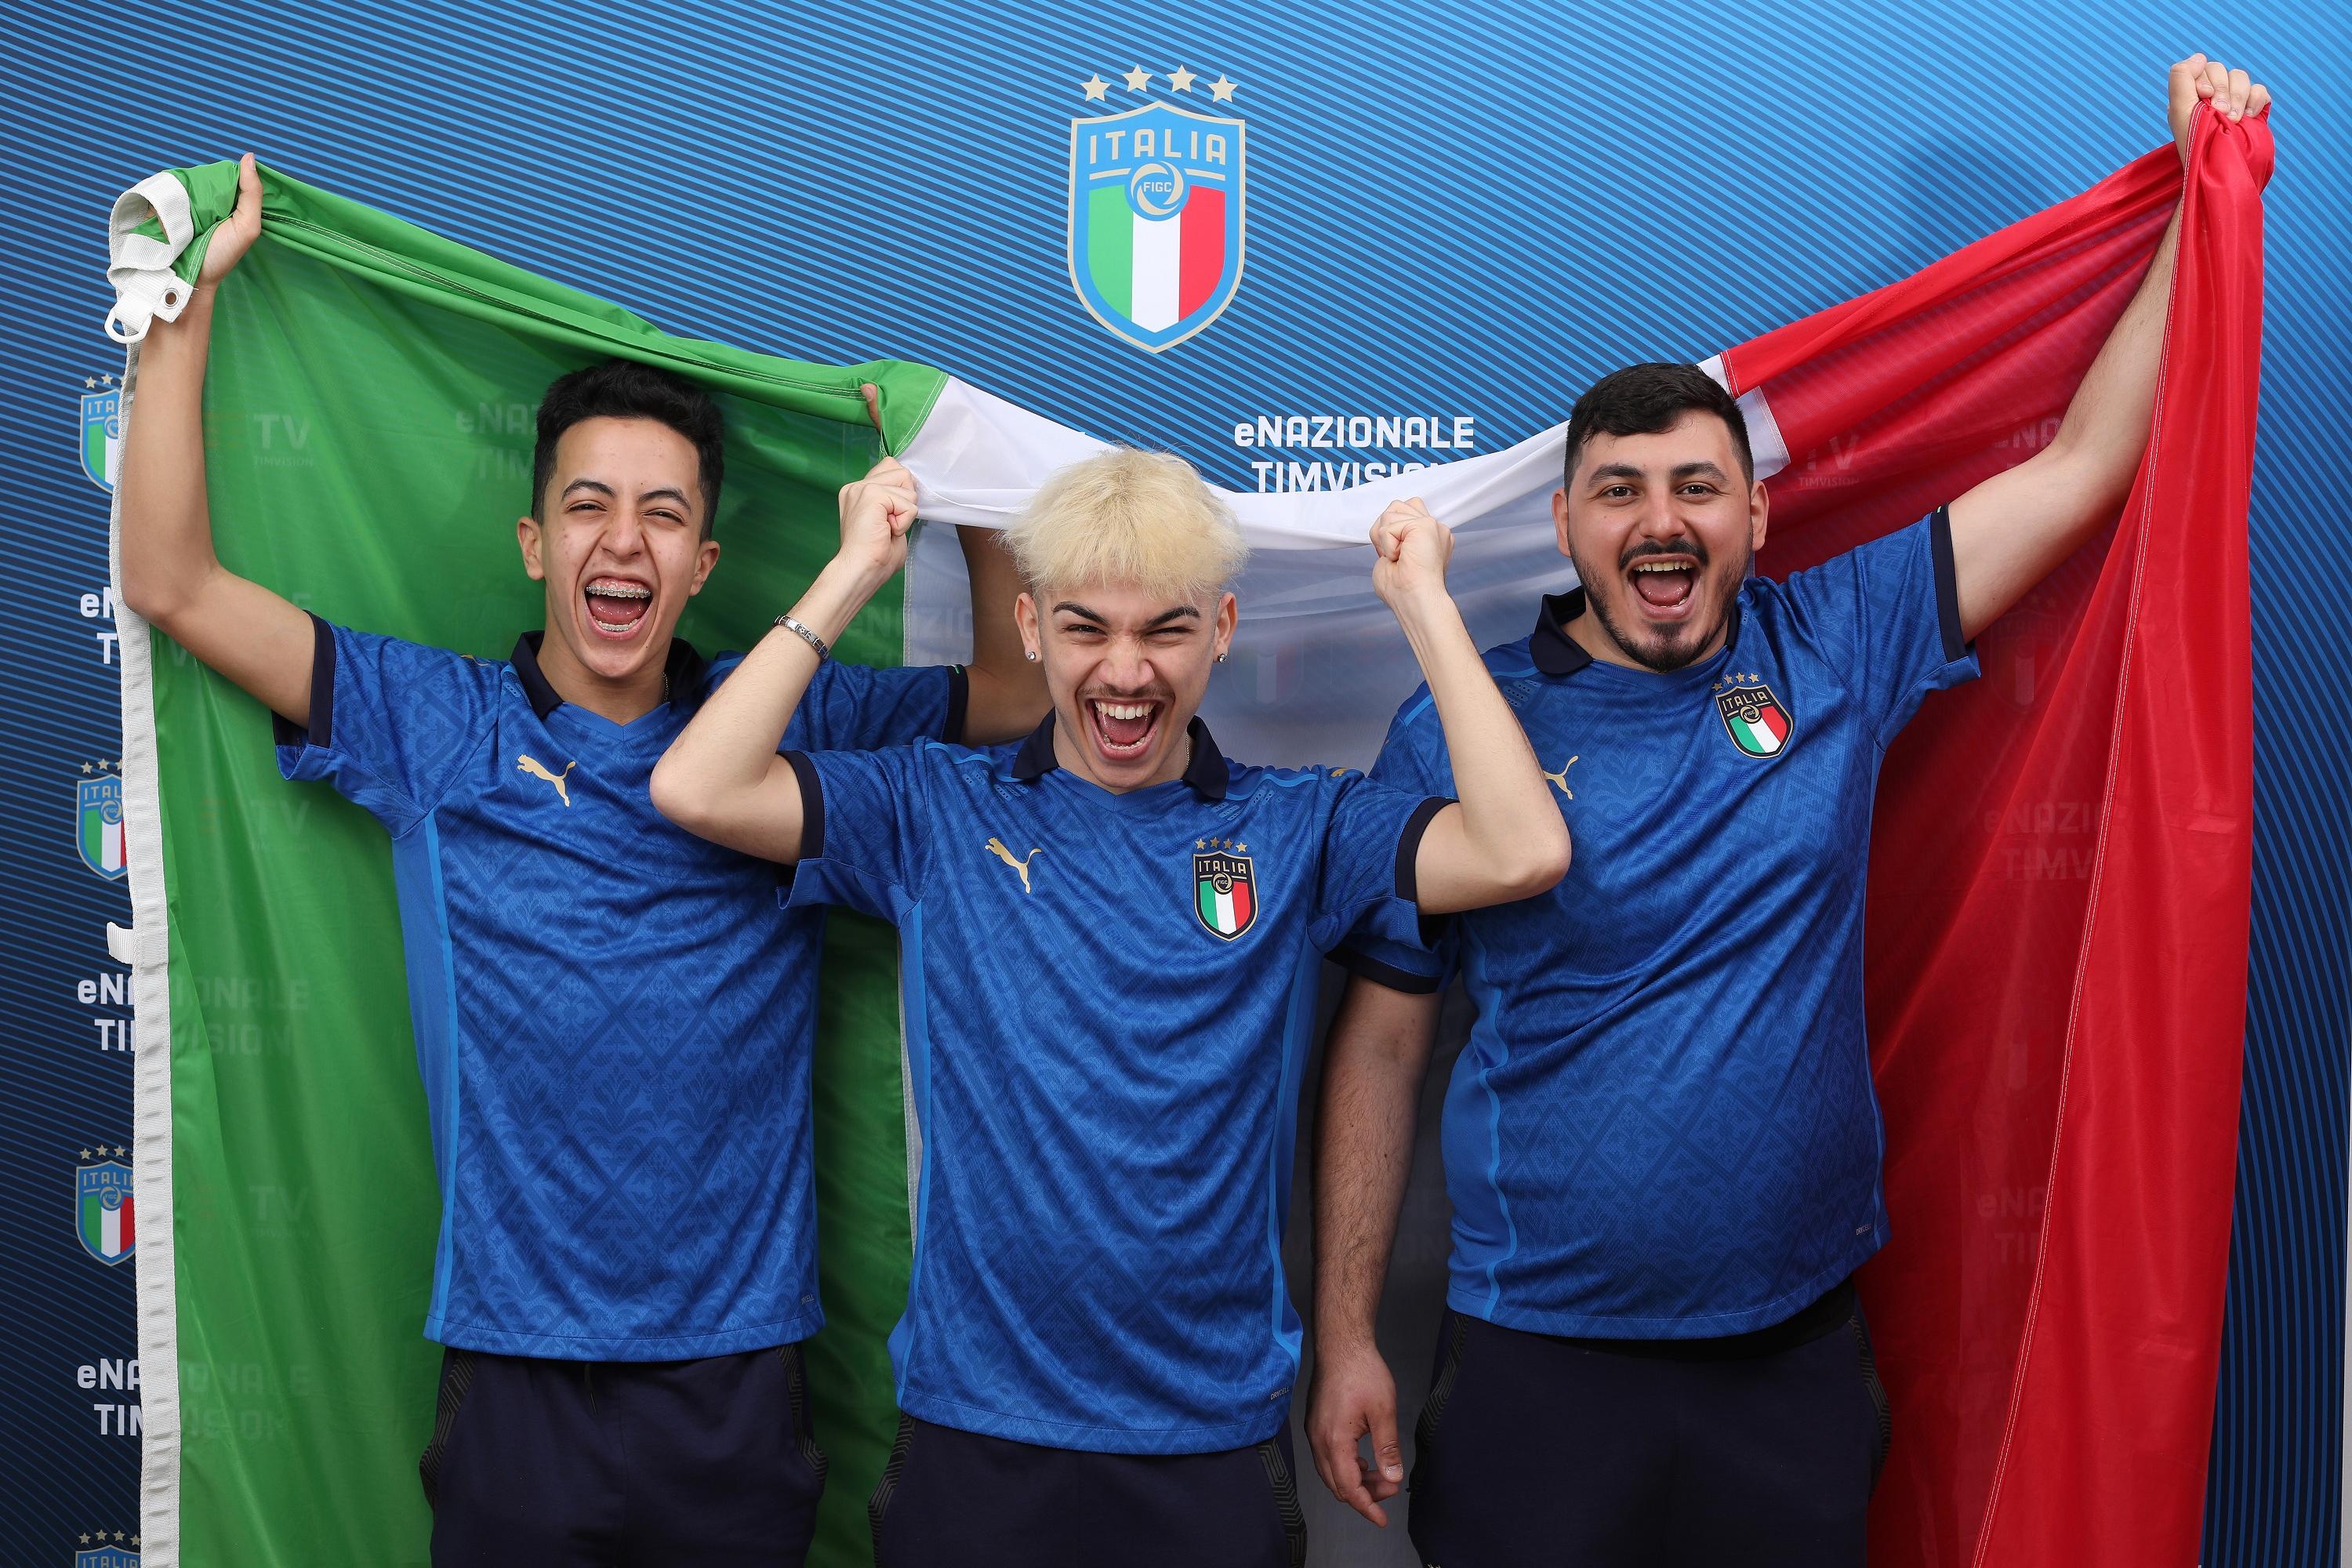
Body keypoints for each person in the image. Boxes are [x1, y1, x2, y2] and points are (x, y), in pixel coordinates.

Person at [1304, 55, 2270, 1568]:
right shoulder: (1461, 724)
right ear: (1564, 526)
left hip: (1797, 1356)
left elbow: (2086, 464)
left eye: (1698, 486)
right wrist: (1347, 1327)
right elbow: (1380, 1037)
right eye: (1618, 493)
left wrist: (2199, 207)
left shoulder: (1837, 636)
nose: (1661, 521)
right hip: (1542, 1353)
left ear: (1756, 513)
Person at [114, 155, 1047, 1568]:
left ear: (707, 561)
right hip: (514, 1376)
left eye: (664, 515)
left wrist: (970, 481)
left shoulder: (794, 713)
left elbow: (1018, 699)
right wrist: (184, 307)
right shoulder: (436, 722)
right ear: (536, 544)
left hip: (740, 1378)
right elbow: (172, 581)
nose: (626, 542)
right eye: (593, 509)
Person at [648, 445, 1571, 1565]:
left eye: (1166, 631)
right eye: (1087, 629)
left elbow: (1523, 849)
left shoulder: (1299, 826)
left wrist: (1424, 604)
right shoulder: (933, 805)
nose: (1125, 673)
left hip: (1211, 1440)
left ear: (1223, 629)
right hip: (974, 1435)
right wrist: (851, 575)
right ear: (1030, 628)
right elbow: (697, 786)